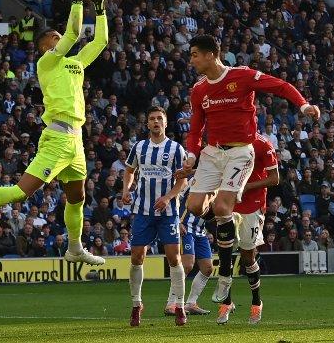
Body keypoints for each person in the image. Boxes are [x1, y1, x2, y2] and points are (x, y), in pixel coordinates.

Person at [0, 0, 108, 266]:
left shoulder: (75, 64)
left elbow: (101, 39)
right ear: (45, 45)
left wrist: (101, 6)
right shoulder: (47, 63)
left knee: (77, 197)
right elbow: (73, 34)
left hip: (77, 140)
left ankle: (74, 248)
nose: (59, 38)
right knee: (22, 192)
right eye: (53, 37)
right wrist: (77, 0)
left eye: (58, 37)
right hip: (57, 136)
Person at [177, 35, 319, 308]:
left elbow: (280, 85)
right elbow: (196, 128)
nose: (191, 59)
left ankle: (226, 277)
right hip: (211, 153)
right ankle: (224, 215)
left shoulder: (242, 76)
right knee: (195, 206)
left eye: (195, 54)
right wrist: (192, 154)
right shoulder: (199, 90)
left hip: (240, 152)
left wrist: (302, 105)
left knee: (221, 209)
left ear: (210, 55)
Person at [121, 106, 188, 327]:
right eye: (152, 119)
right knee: (136, 258)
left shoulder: (176, 149)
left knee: (174, 259)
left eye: (160, 118)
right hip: (142, 211)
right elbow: (129, 170)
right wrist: (125, 190)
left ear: (166, 123)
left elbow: (183, 180)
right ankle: (136, 304)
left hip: (168, 213)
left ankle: (179, 306)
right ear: (147, 124)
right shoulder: (139, 147)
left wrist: (169, 197)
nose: (156, 122)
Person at [216, 133, 278, 325]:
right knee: (224, 254)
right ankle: (226, 303)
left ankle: (256, 302)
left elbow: (274, 178)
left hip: (252, 205)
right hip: (228, 203)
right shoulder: (225, 141)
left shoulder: (263, 144)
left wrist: (247, 185)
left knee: (247, 257)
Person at [165, 184, 213, 317]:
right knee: (187, 265)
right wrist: (177, 222)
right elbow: (176, 197)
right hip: (185, 227)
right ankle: (171, 304)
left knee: (207, 268)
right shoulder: (194, 181)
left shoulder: (217, 185)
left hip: (200, 231)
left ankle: (191, 303)